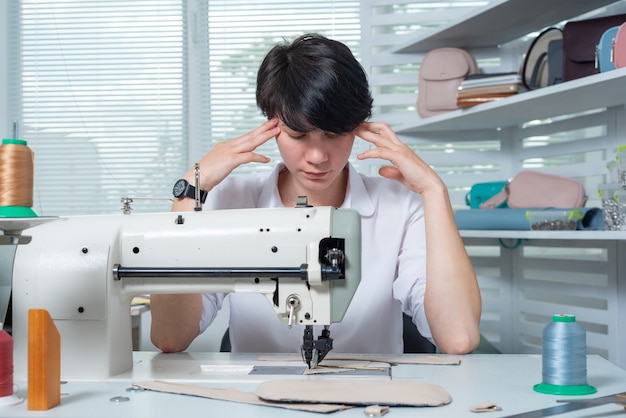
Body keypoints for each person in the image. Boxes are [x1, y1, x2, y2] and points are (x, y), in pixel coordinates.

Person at [150, 33, 481, 356]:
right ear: (271, 124)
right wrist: (188, 194)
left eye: (335, 134)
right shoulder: (231, 202)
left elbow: (458, 337)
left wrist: (434, 191)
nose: (318, 156)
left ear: (359, 127)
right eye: (299, 135)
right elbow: (170, 336)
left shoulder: (399, 206)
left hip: (368, 404)